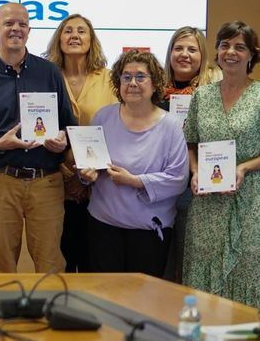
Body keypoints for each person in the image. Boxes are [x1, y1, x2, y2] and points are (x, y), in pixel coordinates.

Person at [0, 2, 76, 273]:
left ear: (29, 30)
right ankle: (5, 317)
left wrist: (62, 140)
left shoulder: (49, 73)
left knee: (51, 265)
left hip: (46, 182)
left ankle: (48, 315)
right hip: (2, 182)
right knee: (0, 264)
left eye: (22, 24)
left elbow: (70, 126)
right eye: (9, 23)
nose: (15, 29)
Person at [78, 50, 188, 277]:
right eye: (126, 77)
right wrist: (85, 174)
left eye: (140, 76)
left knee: (142, 300)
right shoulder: (102, 117)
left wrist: (135, 181)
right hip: (103, 226)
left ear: (155, 83)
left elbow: (178, 180)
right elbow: (88, 163)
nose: (133, 83)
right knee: (104, 298)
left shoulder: (172, 126)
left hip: (148, 231)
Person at [183, 21, 260, 308]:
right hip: (207, 203)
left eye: (240, 47)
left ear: (252, 54)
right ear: (216, 51)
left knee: (247, 268)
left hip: (250, 200)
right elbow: (190, 142)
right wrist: (194, 171)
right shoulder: (202, 96)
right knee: (204, 269)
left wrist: (244, 168)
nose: (231, 52)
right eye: (225, 45)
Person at [43, 13, 117, 273]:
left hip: (100, 184)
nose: (74, 35)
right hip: (55, 179)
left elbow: (118, 128)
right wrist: (66, 172)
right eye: (68, 30)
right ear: (59, 39)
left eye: (81, 31)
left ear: (91, 39)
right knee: (59, 260)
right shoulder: (45, 77)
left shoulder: (110, 79)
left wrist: (91, 173)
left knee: (93, 261)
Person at [159, 26, 220, 282]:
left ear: (202, 55)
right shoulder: (155, 90)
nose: (184, 54)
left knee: (187, 258)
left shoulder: (213, 93)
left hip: (193, 187)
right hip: (158, 184)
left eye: (192, 49)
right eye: (178, 48)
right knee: (160, 260)